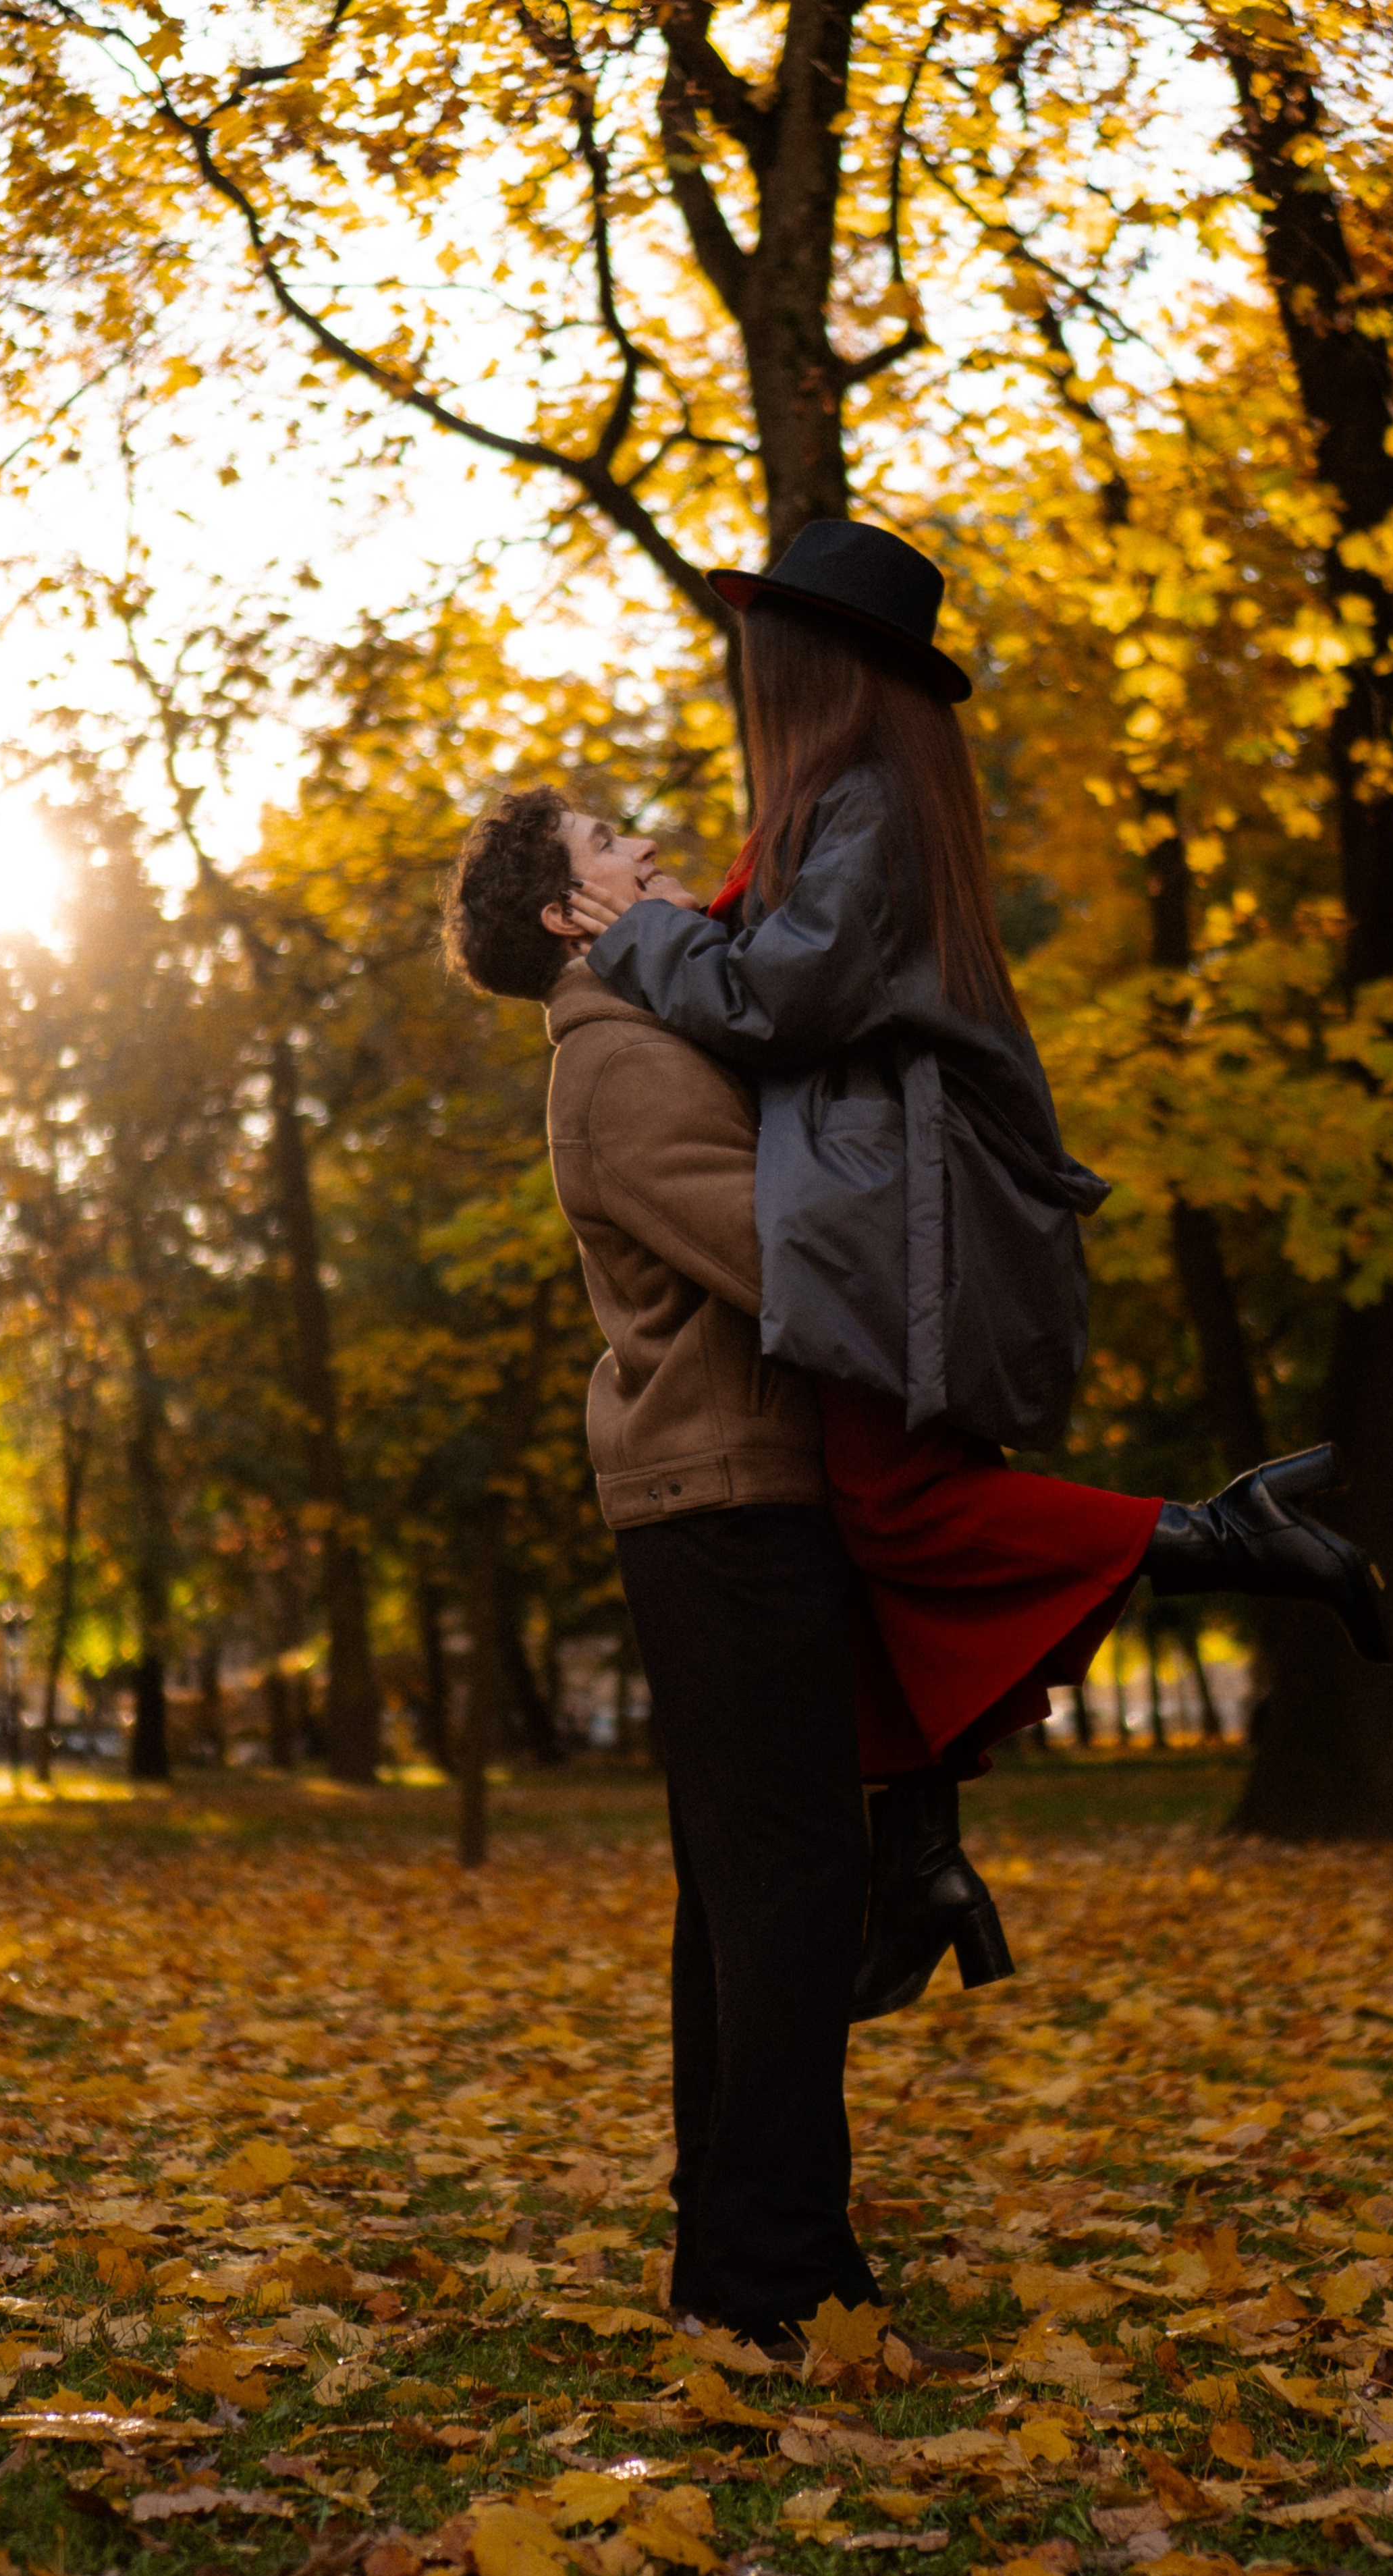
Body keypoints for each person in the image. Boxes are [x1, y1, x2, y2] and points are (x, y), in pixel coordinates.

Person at [559, 520, 1392, 2017]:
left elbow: (780, 1001)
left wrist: (633, 945)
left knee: (895, 1507)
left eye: (764, 647)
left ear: (810, 663)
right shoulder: (844, 802)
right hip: (886, 1208)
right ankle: (922, 1852)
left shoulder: (863, 801)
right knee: (865, 1533)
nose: (748, 671)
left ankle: (1226, 1535)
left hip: (893, 1222)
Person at [441, 792, 982, 2365]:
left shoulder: (650, 1034)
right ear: (565, 913)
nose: (651, 848)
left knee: (751, 1895)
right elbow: (788, 1262)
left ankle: (739, 2264)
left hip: (737, 1496)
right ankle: (780, 2278)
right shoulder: (617, 1064)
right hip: (720, 1505)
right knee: (791, 1888)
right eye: (614, 843)